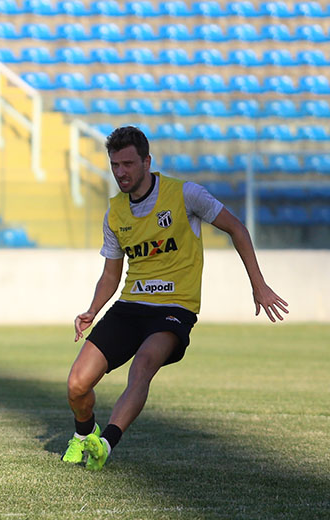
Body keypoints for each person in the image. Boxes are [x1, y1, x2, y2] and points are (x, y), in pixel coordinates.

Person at [61, 126, 288, 471]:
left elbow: (237, 228)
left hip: (174, 308)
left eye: (127, 164)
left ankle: (105, 442)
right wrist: (93, 310)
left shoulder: (185, 195)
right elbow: (111, 274)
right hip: (130, 306)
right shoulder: (115, 213)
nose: (120, 172)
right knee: (77, 384)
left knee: (143, 367)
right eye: (114, 165)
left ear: (146, 162)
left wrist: (259, 285)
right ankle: (82, 435)